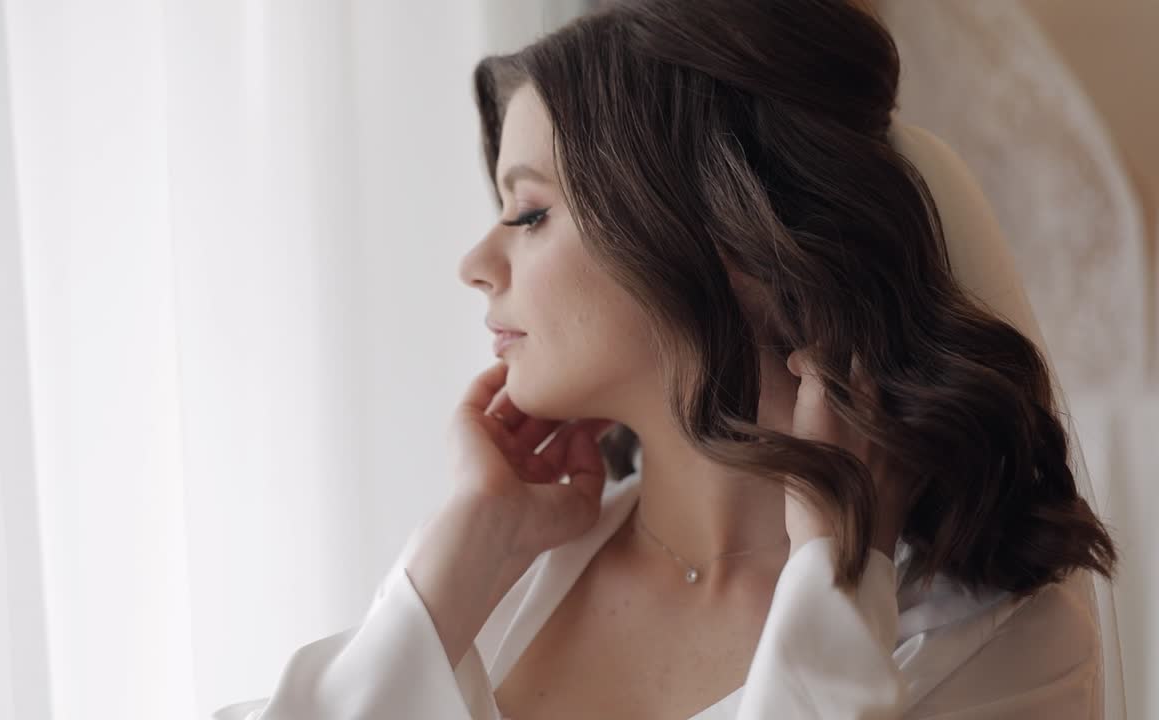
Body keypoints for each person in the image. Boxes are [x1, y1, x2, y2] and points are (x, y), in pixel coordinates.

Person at [214, 1, 1122, 718]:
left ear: (729, 236)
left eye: (530, 214)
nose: (475, 264)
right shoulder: (498, 585)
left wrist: (836, 595)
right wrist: (448, 571)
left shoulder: (996, 640)